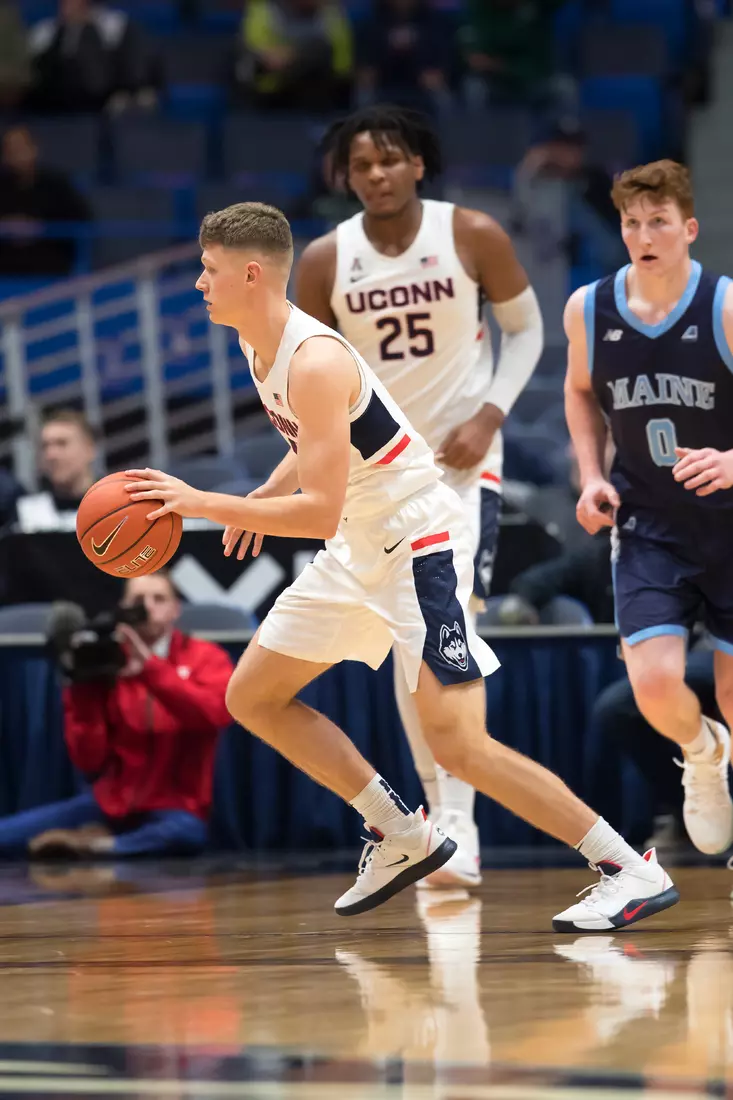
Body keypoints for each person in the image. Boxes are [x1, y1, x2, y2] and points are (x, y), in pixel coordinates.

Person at [123, 200, 679, 931]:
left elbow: (317, 509)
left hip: (416, 543)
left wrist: (206, 502)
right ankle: (399, 830)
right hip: (357, 543)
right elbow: (320, 445)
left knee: (459, 745)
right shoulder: (256, 344)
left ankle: (627, 869)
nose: (198, 282)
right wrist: (263, 493)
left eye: (208, 269)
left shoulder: (314, 358)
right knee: (252, 696)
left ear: (250, 274)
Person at [294, 104, 543, 888]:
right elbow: (302, 372)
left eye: (389, 161)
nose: (375, 175)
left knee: (442, 635)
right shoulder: (328, 259)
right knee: (410, 650)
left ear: (417, 165)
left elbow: (526, 332)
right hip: (378, 477)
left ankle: (457, 826)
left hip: (463, 466)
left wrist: (490, 413)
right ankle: (434, 824)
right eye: (361, 166)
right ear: (345, 176)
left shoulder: (471, 234)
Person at [564, 158, 733, 858]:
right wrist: (586, 475)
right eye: (631, 223)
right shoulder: (588, 308)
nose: (643, 234)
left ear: (687, 228)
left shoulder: (723, 305)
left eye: (657, 221)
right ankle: (700, 756)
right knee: (655, 685)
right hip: (649, 527)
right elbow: (577, 391)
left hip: (728, 525)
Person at [0, 571, 233, 858]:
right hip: (109, 803)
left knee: (186, 833)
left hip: (176, 807)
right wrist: (81, 690)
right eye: (137, 599)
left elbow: (217, 713)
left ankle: (98, 845)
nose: (147, 607)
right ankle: (106, 841)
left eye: (158, 598)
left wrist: (150, 669)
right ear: (123, 607)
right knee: (7, 833)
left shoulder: (205, 657)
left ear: (176, 609)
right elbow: (89, 759)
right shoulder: (106, 658)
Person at [0, 125, 90, 277]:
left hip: (49, 266)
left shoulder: (57, 184)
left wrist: (41, 228)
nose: (16, 154)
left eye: (21, 147)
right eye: (10, 150)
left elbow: (81, 219)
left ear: (34, 149)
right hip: (6, 267)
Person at [15, 407, 96, 532]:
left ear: (89, 449)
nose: (51, 454)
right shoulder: (26, 514)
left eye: (62, 443)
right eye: (45, 446)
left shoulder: (117, 506)